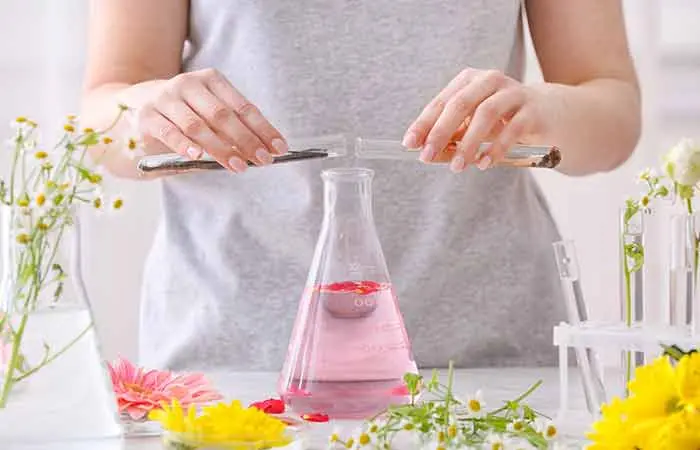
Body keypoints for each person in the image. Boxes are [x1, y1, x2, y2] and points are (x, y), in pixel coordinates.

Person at [81, 0, 640, 371]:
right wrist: (146, 114)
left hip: (487, 359)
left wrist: (544, 110)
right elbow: (103, 109)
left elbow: (613, 109)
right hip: (231, 356)